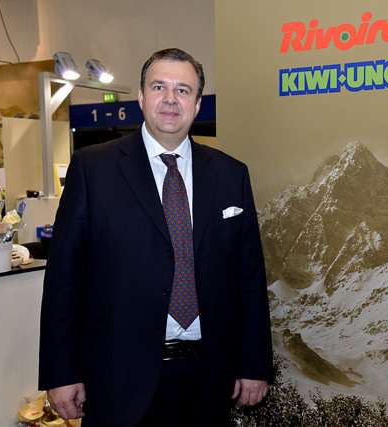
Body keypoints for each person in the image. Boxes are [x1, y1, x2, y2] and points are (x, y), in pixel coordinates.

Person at [39, 48, 273, 426]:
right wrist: (61, 372)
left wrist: (254, 364)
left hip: (208, 378)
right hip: (117, 377)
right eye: (159, 87)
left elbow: (249, 279)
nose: (170, 99)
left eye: (183, 90)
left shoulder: (232, 175)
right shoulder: (92, 169)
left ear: (198, 104)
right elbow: (64, 280)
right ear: (141, 96)